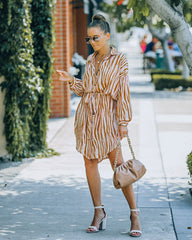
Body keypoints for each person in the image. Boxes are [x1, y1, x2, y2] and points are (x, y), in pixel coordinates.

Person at [56, 14, 141, 237]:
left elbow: (123, 92)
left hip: (108, 120)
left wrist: (123, 122)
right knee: (89, 163)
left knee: (121, 168)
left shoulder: (120, 60)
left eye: (96, 38)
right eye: (89, 39)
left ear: (107, 36)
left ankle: (134, 214)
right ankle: (98, 211)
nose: (92, 42)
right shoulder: (91, 60)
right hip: (87, 119)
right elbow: (86, 90)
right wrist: (71, 81)